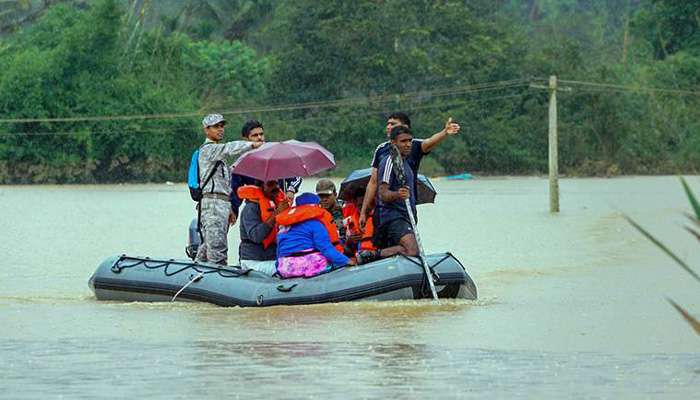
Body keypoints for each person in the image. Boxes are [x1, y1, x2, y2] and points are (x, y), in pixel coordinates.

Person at [359, 112, 460, 231]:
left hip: (407, 207)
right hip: (385, 209)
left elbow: (429, 142)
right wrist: (363, 212)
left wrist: (444, 132)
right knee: (403, 245)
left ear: (405, 128)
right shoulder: (381, 149)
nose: (388, 127)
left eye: (393, 124)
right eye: (388, 124)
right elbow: (373, 182)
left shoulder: (413, 145)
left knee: (409, 246)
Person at [194, 113, 262, 265]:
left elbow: (225, 185)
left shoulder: (219, 155)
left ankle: (194, 275)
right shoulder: (208, 150)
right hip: (213, 204)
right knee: (218, 250)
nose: (220, 129)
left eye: (222, 126)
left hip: (221, 203)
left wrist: (230, 207)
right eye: (216, 127)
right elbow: (229, 148)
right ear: (206, 130)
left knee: (207, 248)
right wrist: (252, 145)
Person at [357, 125, 420, 264]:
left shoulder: (406, 164)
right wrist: (398, 194)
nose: (408, 144)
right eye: (403, 141)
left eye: (410, 140)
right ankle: (371, 255)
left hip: (404, 217)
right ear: (393, 143)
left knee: (408, 253)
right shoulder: (389, 161)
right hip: (392, 217)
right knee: (412, 250)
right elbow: (382, 193)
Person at [230, 119, 302, 224]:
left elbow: (296, 176)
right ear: (246, 140)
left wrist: (291, 190)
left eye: (261, 134)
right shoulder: (242, 163)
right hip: (257, 210)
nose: (259, 137)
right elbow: (236, 191)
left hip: (280, 207)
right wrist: (233, 210)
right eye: (254, 135)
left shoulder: (277, 155)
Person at [275, 193, 354, 278]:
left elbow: (279, 253)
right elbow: (326, 249)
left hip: (285, 268)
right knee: (335, 262)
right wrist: (348, 261)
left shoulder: (284, 228)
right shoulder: (315, 224)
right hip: (308, 266)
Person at [238, 180, 288, 274]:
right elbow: (256, 236)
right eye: (270, 184)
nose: (275, 187)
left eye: (276, 183)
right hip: (254, 261)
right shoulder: (250, 208)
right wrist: (276, 214)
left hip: (273, 258)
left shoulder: (279, 205)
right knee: (288, 270)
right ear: (261, 187)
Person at [341, 187, 377, 258]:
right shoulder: (348, 222)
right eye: (360, 205)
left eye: (365, 204)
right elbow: (344, 246)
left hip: (377, 254)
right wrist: (349, 241)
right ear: (355, 203)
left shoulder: (379, 217)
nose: (363, 208)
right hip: (358, 258)